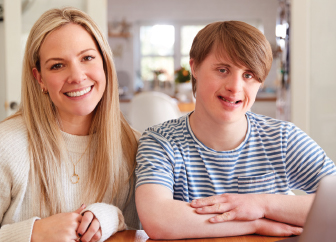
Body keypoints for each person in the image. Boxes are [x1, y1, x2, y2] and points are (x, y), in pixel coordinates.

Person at [135, 21, 336, 239]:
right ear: (194, 67)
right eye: (222, 70)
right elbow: (158, 219)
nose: (235, 87)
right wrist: (255, 224)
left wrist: (261, 204)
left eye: (248, 75)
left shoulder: (282, 138)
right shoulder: (160, 141)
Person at [0, 7, 139, 242]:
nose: (76, 76)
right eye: (57, 65)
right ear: (39, 78)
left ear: (105, 63)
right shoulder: (6, 144)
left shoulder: (135, 145)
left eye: (87, 58)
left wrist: (112, 218)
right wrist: (32, 233)